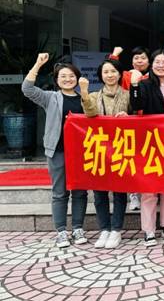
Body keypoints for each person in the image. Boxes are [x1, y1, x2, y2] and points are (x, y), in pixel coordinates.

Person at [22, 54, 88, 248]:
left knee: (80, 192)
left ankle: (77, 228)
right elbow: (27, 89)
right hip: (57, 151)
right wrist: (38, 64)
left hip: (81, 153)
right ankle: (61, 231)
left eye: (71, 76)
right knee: (59, 193)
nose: (68, 79)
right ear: (57, 80)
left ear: (77, 78)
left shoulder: (85, 98)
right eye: (63, 76)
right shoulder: (50, 98)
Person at [130, 49, 164, 247]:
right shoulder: (144, 84)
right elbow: (136, 105)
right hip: (151, 142)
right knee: (149, 188)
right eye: (157, 62)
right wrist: (134, 85)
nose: (161, 65)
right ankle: (149, 229)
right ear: (151, 65)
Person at [79, 59, 130, 249]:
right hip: (98, 149)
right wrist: (84, 92)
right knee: (99, 192)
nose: (110, 75)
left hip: (121, 148)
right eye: (106, 72)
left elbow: (138, 117)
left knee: (119, 191)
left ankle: (116, 229)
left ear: (119, 74)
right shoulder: (93, 96)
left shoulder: (127, 95)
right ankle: (104, 229)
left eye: (113, 71)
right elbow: (91, 113)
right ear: (101, 75)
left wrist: (128, 117)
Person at [109, 45, 150, 211]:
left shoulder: (153, 76)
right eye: (136, 58)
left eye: (143, 58)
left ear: (149, 61)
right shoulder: (126, 75)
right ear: (132, 61)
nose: (139, 61)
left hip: (150, 124)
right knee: (132, 159)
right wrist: (115, 55)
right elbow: (111, 69)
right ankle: (133, 194)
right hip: (130, 123)